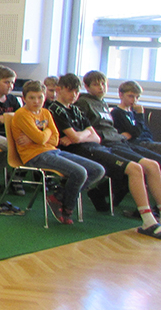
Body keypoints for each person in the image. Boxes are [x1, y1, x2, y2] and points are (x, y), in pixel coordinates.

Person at [48, 73, 161, 234]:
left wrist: (80, 135)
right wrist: (82, 136)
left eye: (76, 91)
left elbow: (95, 137)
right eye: (70, 91)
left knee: (152, 165)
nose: (74, 95)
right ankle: (148, 221)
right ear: (59, 90)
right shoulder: (62, 108)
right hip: (87, 150)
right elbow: (78, 137)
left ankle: (153, 215)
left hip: (100, 145)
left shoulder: (77, 109)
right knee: (135, 169)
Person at [10, 80, 105, 224]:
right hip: (35, 155)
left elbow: (55, 140)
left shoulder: (46, 113)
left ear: (45, 97)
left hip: (53, 150)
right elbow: (41, 138)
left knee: (98, 170)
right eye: (32, 98)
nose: (36, 101)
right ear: (24, 98)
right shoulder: (22, 114)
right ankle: (68, 207)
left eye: (40, 97)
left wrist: (39, 136)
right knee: (79, 172)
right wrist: (45, 132)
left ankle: (59, 196)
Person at [78, 71, 161, 165]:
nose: (101, 87)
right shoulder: (84, 103)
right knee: (151, 164)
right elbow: (134, 132)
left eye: (103, 84)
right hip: (110, 143)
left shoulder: (103, 104)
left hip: (121, 140)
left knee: (154, 162)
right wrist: (139, 115)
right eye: (96, 85)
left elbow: (144, 132)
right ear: (87, 87)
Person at [112, 80, 161, 155]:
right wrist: (140, 114)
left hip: (145, 142)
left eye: (137, 97)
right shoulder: (117, 113)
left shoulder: (133, 112)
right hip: (135, 145)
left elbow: (146, 132)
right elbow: (136, 132)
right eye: (131, 96)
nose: (134, 100)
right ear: (121, 95)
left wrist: (133, 134)